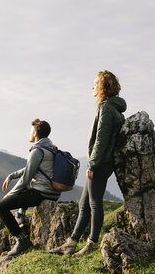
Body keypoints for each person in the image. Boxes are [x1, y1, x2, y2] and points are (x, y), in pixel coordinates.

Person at [51, 70, 126, 256]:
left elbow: (101, 139)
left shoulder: (106, 108)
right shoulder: (113, 108)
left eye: (95, 83)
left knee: (94, 204)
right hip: (104, 161)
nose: (92, 87)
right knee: (83, 204)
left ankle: (92, 242)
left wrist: (92, 164)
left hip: (101, 162)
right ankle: (71, 243)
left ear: (103, 87)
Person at [0, 118, 62, 259]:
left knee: (0, 206)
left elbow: (26, 178)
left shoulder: (37, 151)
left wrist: (9, 195)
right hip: (53, 192)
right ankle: (21, 216)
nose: (29, 133)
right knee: (26, 189)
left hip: (41, 193)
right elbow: (31, 168)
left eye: (31, 131)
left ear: (35, 133)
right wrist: (12, 176)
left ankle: (21, 240)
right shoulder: (51, 148)